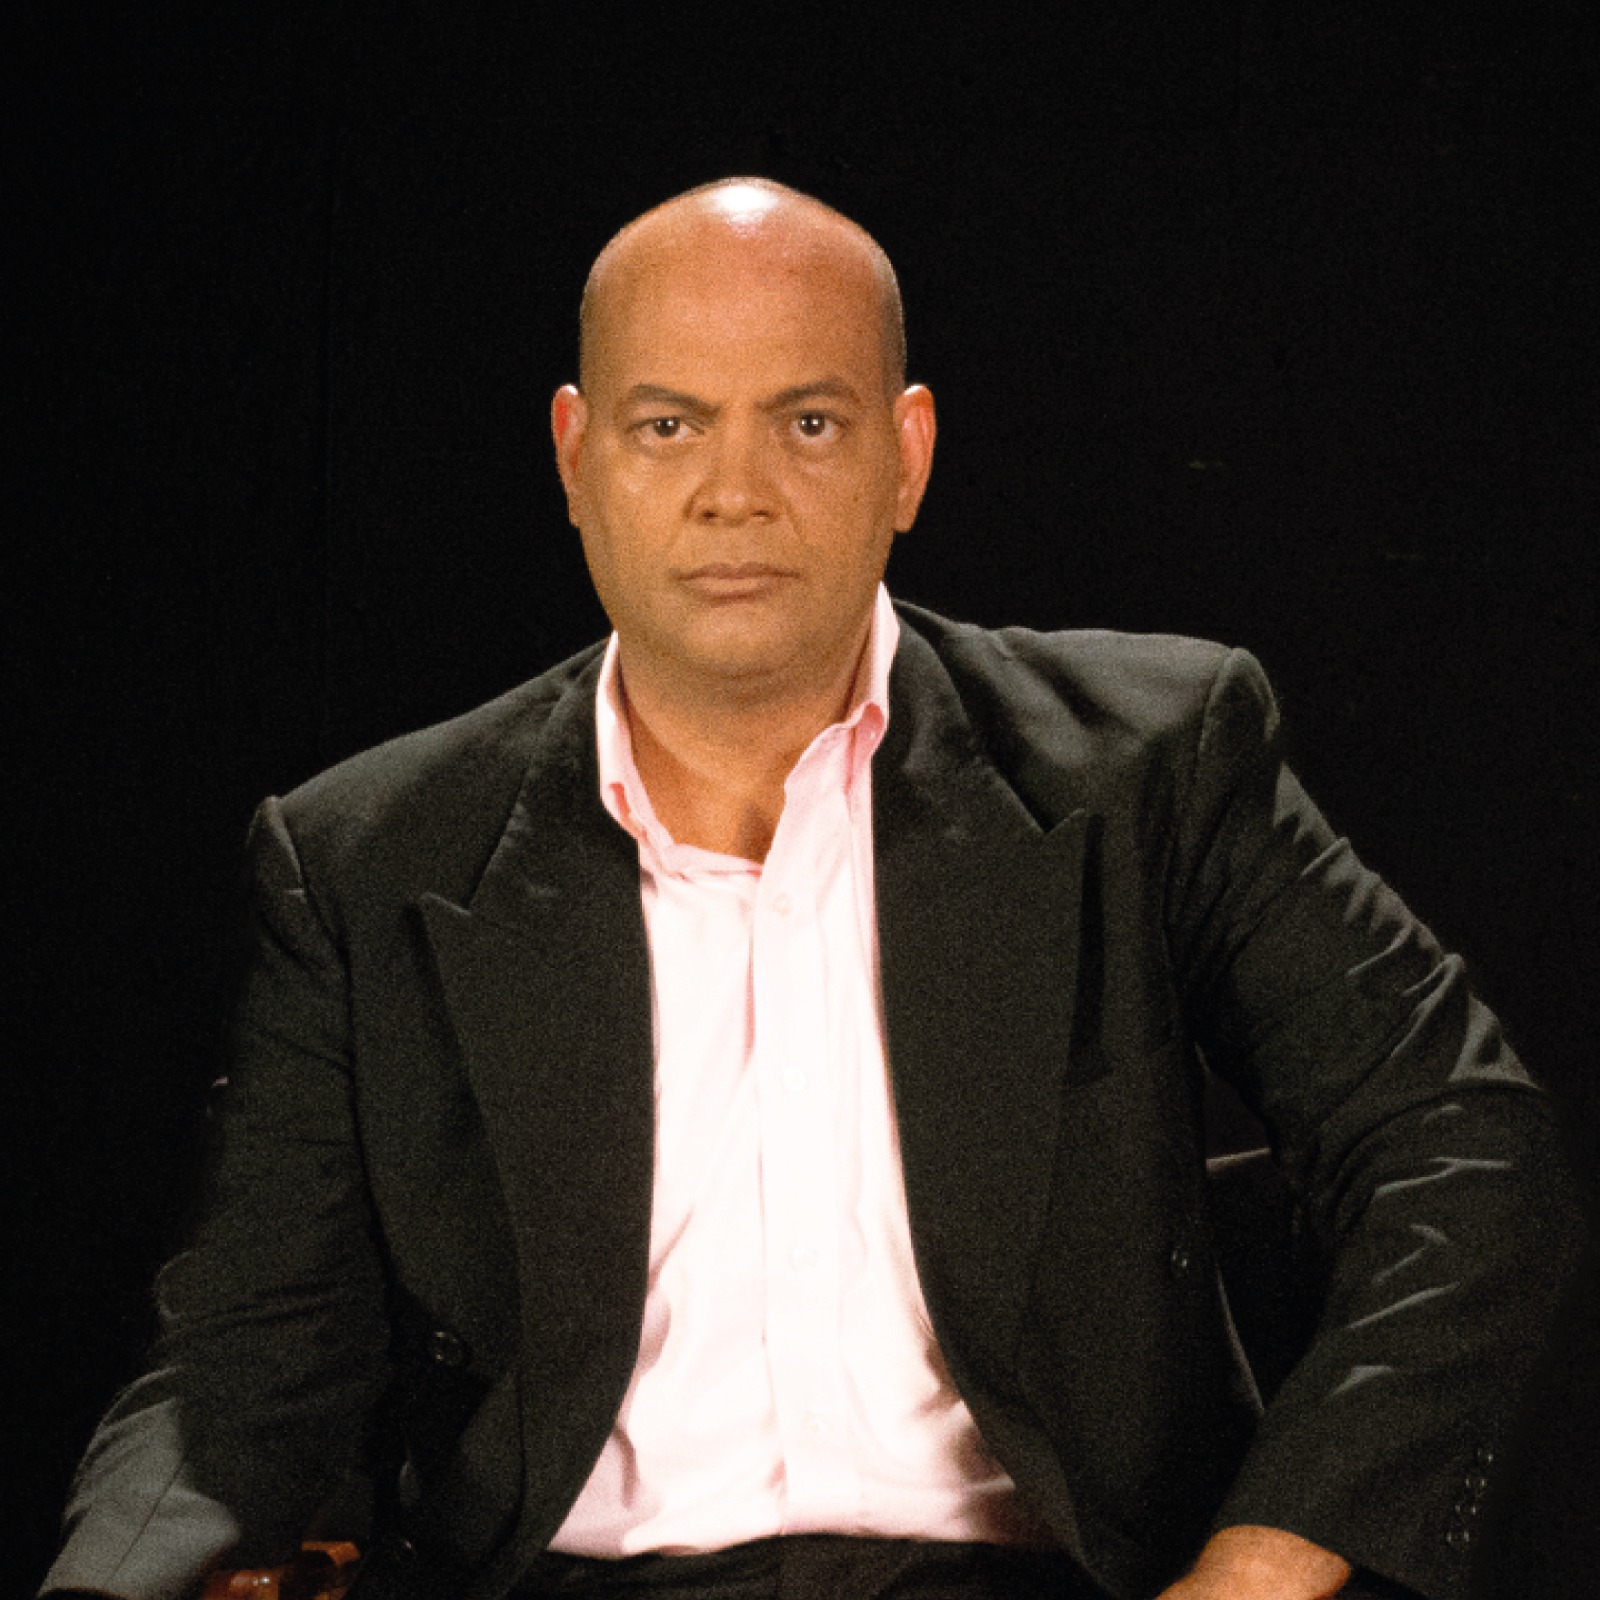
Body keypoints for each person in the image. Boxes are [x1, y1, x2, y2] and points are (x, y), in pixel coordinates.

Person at [44, 179, 1581, 1600]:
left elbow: (1460, 1145)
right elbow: (243, 1359)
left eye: (809, 422)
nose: (737, 491)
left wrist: (1264, 1569)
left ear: (907, 455)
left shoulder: (1151, 767)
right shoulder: (368, 855)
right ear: (574, 456)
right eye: (667, 425)